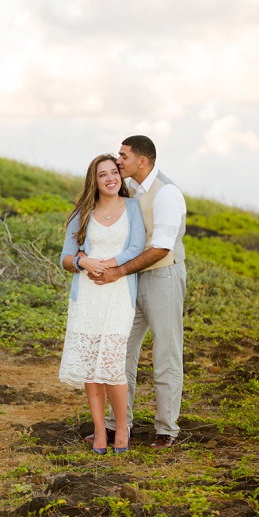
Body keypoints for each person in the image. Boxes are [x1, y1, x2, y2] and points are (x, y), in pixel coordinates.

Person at [90, 135, 186, 450]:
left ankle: (166, 431)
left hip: (162, 277)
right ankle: (119, 427)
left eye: (124, 156)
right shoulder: (131, 190)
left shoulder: (167, 194)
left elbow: (160, 248)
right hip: (133, 280)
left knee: (166, 353)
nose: (118, 162)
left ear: (141, 161)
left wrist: (118, 271)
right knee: (120, 351)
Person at [58, 154, 145, 454]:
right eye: (102, 174)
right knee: (91, 370)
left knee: (111, 365)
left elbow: (135, 247)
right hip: (88, 298)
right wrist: (84, 263)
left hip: (119, 295)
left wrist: (106, 265)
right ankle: (98, 431)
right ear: (93, 181)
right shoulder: (82, 213)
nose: (110, 178)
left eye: (114, 172)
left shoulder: (132, 208)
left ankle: (122, 427)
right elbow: (66, 257)